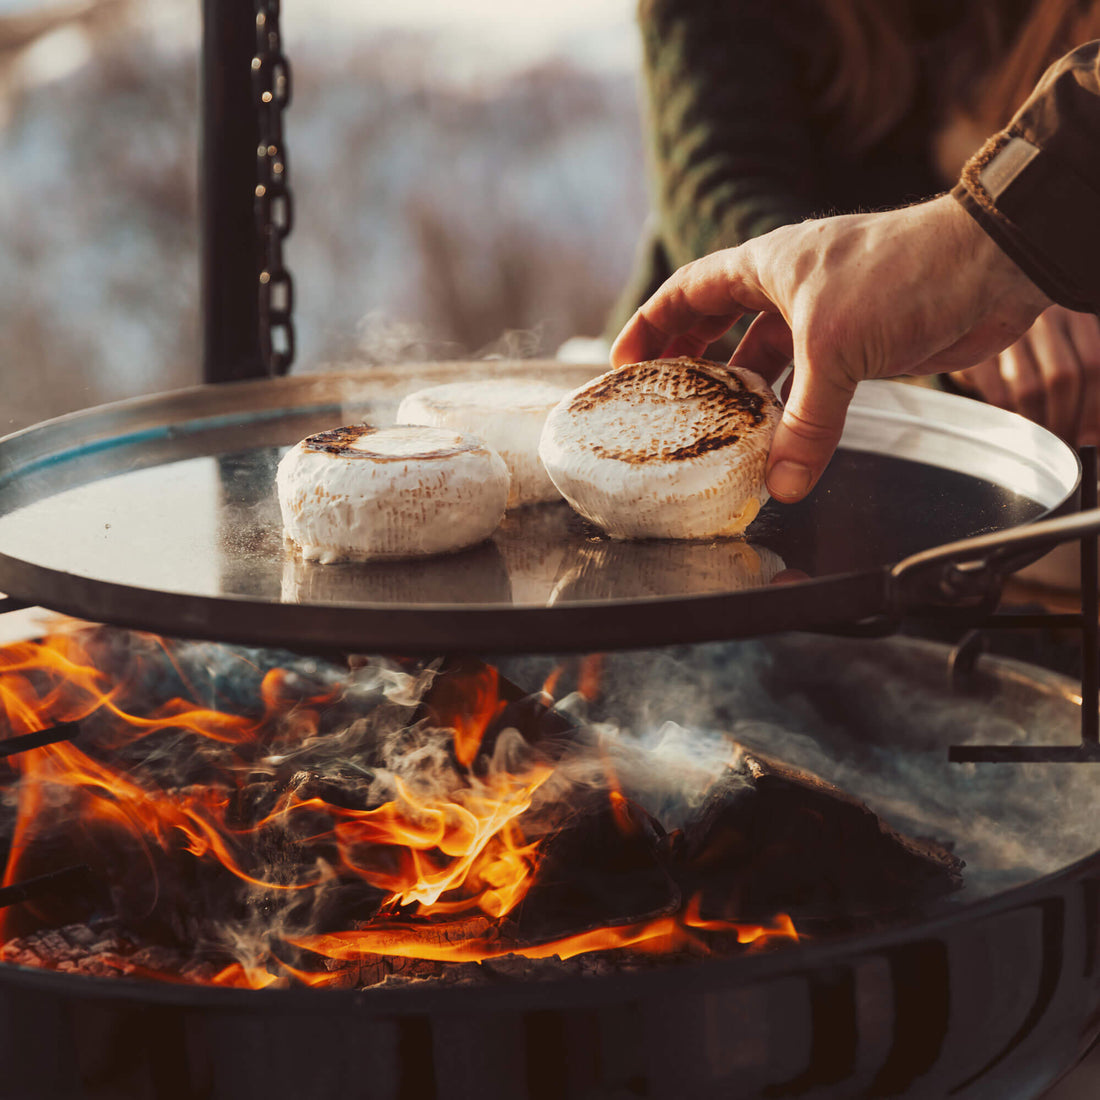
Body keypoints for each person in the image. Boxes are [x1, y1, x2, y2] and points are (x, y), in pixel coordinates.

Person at [610, 40, 1100, 503]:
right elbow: (717, 182)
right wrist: (993, 244)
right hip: (721, 382)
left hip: (990, 436)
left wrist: (1017, 259)